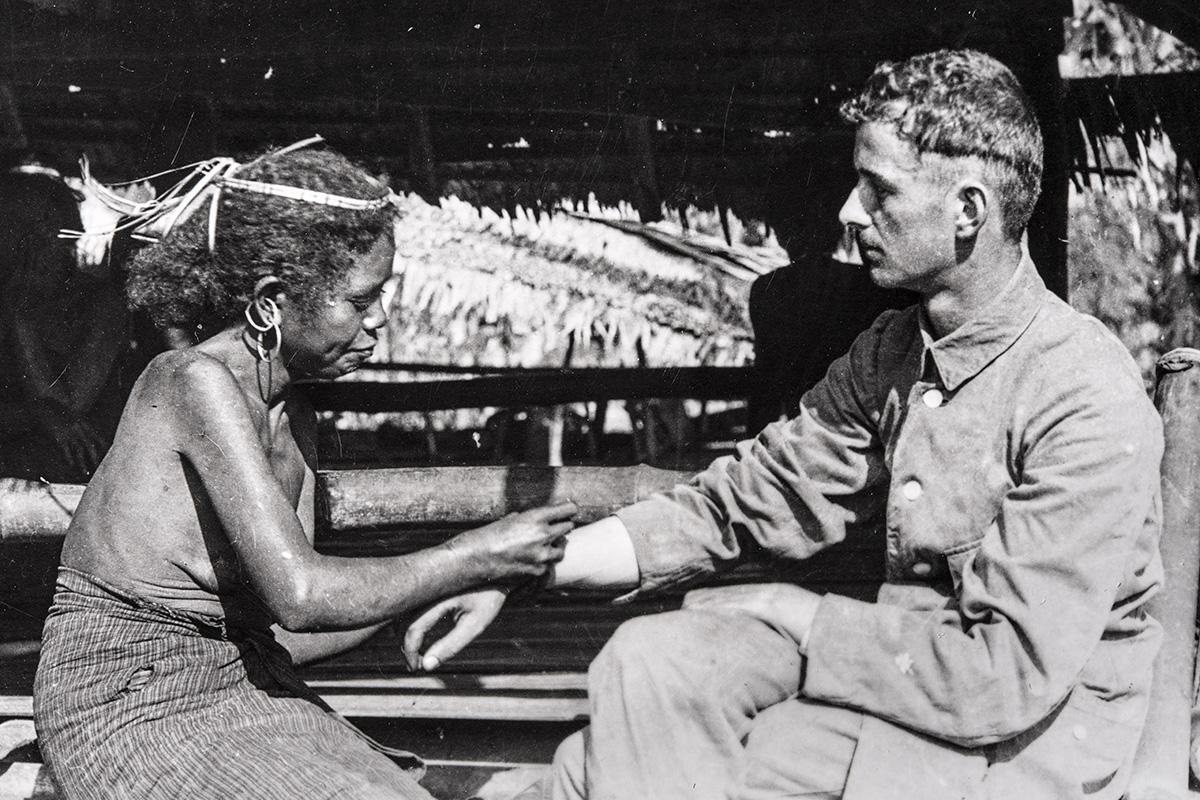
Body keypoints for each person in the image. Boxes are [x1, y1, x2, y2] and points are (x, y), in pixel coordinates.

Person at [404, 50, 1164, 800]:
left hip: (1025, 731)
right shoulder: (893, 354)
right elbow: (742, 499)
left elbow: (1002, 676)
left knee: (595, 771)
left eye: (878, 189)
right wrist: (523, 571)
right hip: (891, 669)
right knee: (650, 662)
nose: (848, 212)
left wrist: (791, 612)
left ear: (968, 211)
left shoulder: (1082, 392)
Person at [32, 141, 577, 800]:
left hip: (243, 679)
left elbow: (294, 624)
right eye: (360, 299)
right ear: (270, 302)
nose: (380, 320)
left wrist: (443, 590)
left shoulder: (296, 417)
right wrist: (471, 556)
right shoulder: (189, 382)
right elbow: (303, 594)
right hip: (127, 698)